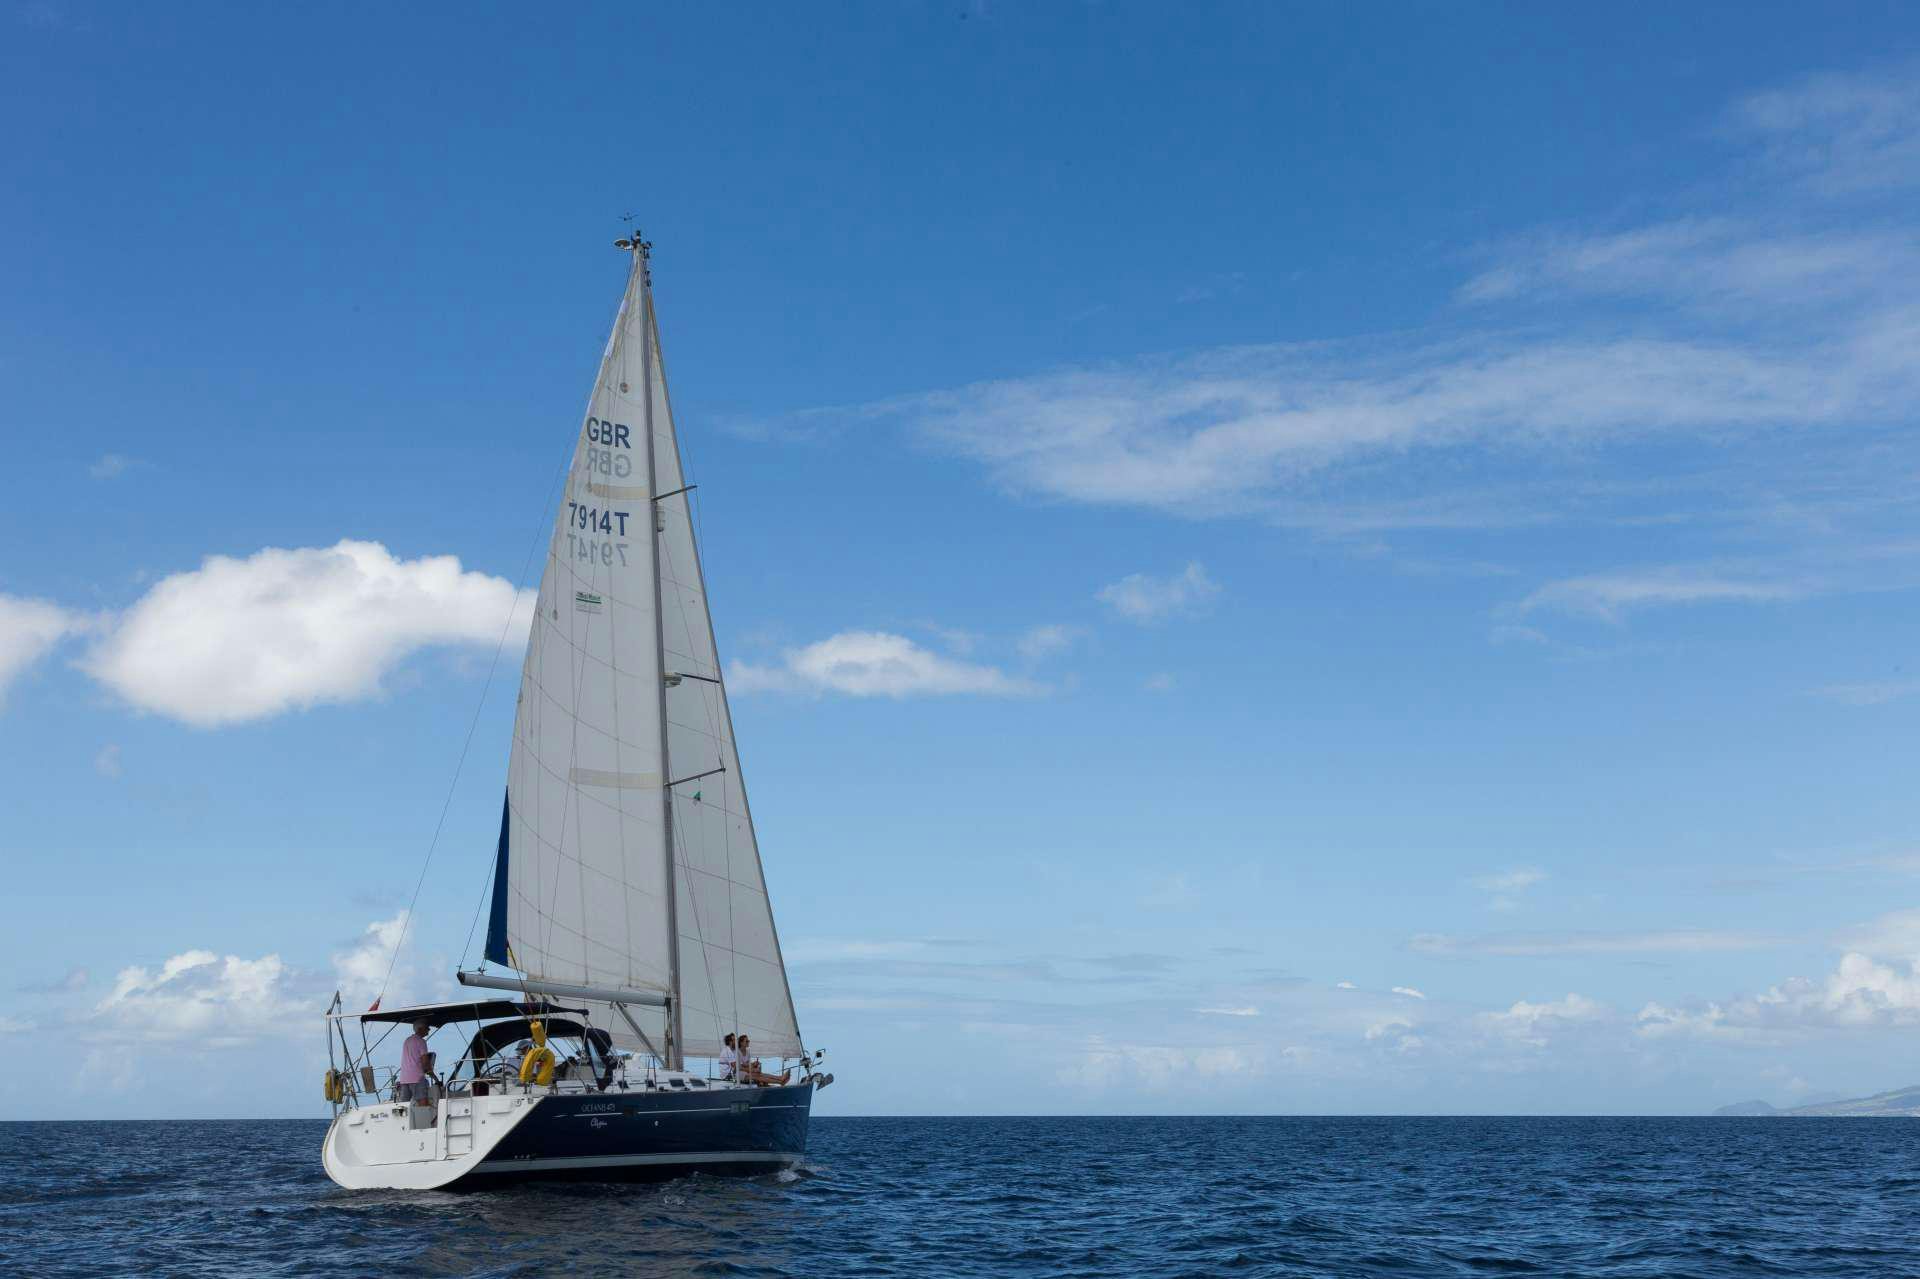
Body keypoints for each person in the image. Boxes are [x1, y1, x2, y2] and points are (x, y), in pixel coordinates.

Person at [396, 1020, 432, 1104]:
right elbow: (425, 1060)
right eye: (427, 1028)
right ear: (420, 1029)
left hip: (404, 1078)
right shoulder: (421, 1041)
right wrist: (430, 1071)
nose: (429, 1030)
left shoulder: (407, 1040)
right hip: (417, 1077)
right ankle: (424, 1117)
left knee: (405, 1104)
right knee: (423, 1102)